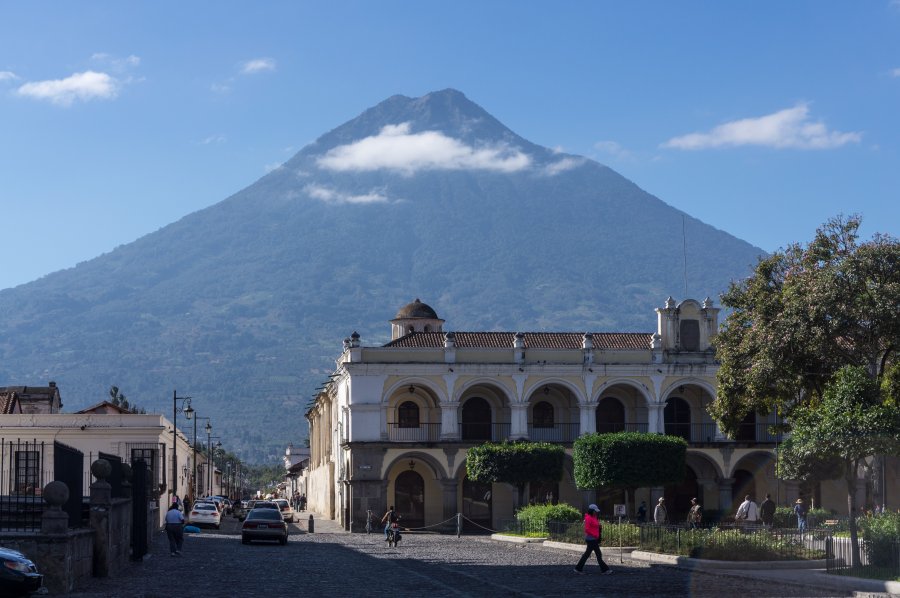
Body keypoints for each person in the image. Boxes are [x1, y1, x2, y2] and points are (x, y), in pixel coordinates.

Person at [573, 504, 612, 575]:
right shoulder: (588, 518)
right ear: (592, 511)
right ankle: (605, 569)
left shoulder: (594, 517)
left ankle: (578, 568)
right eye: (595, 511)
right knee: (598, 554)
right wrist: (594, 535)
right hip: (591, 539)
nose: (596, 512)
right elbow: (587, 529)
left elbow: (594, 526)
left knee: (587, 554)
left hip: (593, 538)